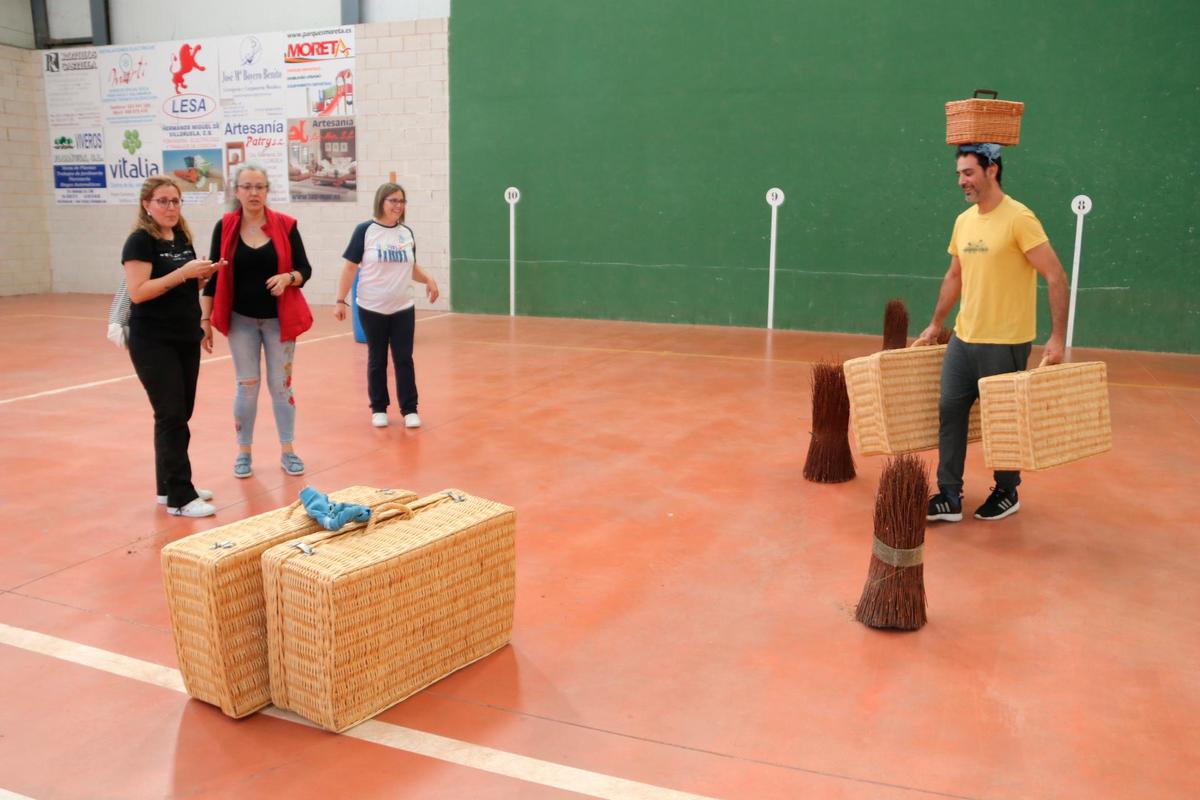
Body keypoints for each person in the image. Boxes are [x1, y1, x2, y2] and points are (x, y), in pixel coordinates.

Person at [913, 143, 1069, 522]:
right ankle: (949, 494)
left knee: (1003, 420)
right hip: (964, 340)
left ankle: (1006, 490)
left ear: (992, 170)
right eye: (959, 175)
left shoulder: (1020, 218)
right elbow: (954, 275)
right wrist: (936, 323)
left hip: (1006, 342)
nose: (962, 181)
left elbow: (1055, 275)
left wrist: (1058, 337)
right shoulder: (964, 221)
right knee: (950, 411)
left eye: (968, 173)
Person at [201, 164, 313, 478]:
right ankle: (244, 452)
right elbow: (212, 277)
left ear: (267, 191)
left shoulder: (286, 226)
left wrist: (289, 277)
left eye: (259, 187)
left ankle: (288, 450)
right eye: (247, 187)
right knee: (246, 387)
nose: (254, 193)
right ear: (236, 191)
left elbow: (305, 269)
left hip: (280, 321)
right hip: (241, 322)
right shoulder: (224, 227)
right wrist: (205, 318)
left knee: (282, 387)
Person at [121, 176, 219, 517]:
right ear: (147, 204)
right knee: (172, 415)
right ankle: (180, 496)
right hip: (153, 341)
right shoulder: (139, 241)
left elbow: (182, 284)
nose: (170, 207)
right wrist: (182, 273)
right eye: (163, 201)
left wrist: (200, 276)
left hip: (183, 336)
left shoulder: (181, 236)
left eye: (175, 201)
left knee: (179, 413)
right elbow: (139, 292)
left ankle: (166, 486)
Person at [334, 183, 439, 428]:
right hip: (372, 307)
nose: (398, 206)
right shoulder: (365, 231)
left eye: (401, 201)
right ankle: (379, 407)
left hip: (403, 307)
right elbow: (350, 267)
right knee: (377, 358)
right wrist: (340, 300)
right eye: (393, 200)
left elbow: (411, 267)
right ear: (381, 201)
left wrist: (429, 279)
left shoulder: (406, 233)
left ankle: (409, 409)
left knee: (404, 358)